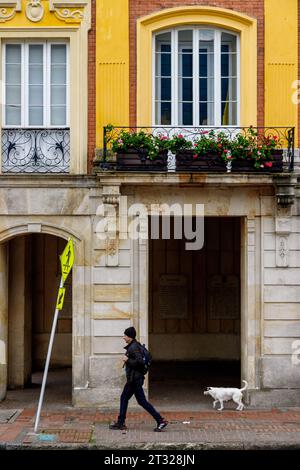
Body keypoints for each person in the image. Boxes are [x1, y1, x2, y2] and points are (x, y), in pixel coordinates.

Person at [109, 326, 168, 432]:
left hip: (135, 380)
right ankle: (121, 422)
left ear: (130, 337)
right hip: (134, 379)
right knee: (130, 399)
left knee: (139, 401)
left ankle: (160, 421)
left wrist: (127, 360)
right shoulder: (133, 345)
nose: (123, 337)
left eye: (125, 335)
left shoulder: (134, 347)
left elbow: (140, 362)